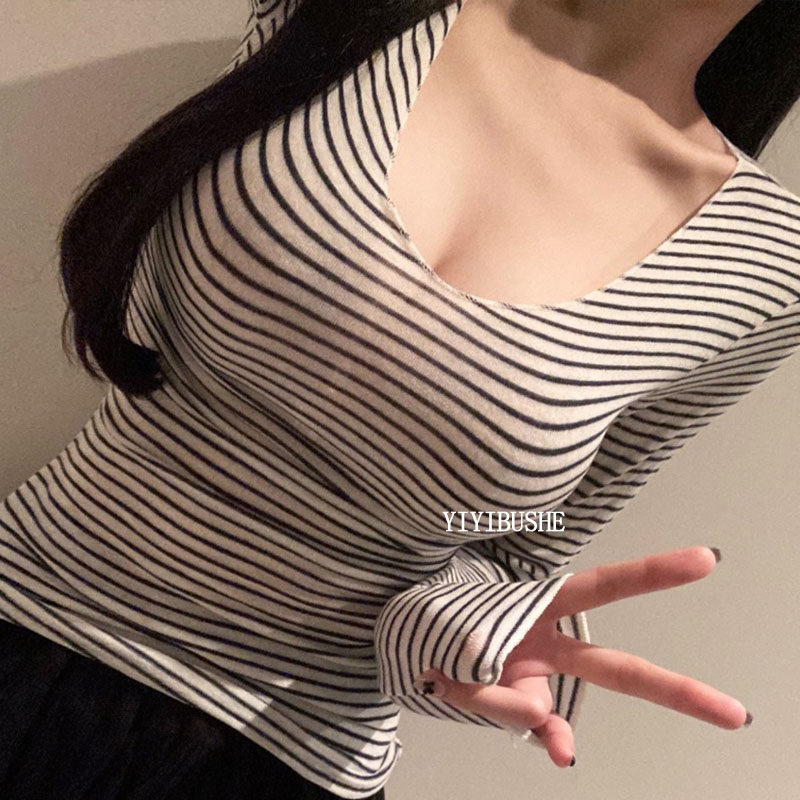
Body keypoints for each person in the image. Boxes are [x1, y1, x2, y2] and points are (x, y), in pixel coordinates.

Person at [1, 0, 799, 797]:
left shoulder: (764, 260)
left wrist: (462, 627)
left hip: (277, 759)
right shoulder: (358, 16)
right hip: (25, 610)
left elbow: (517, 540)